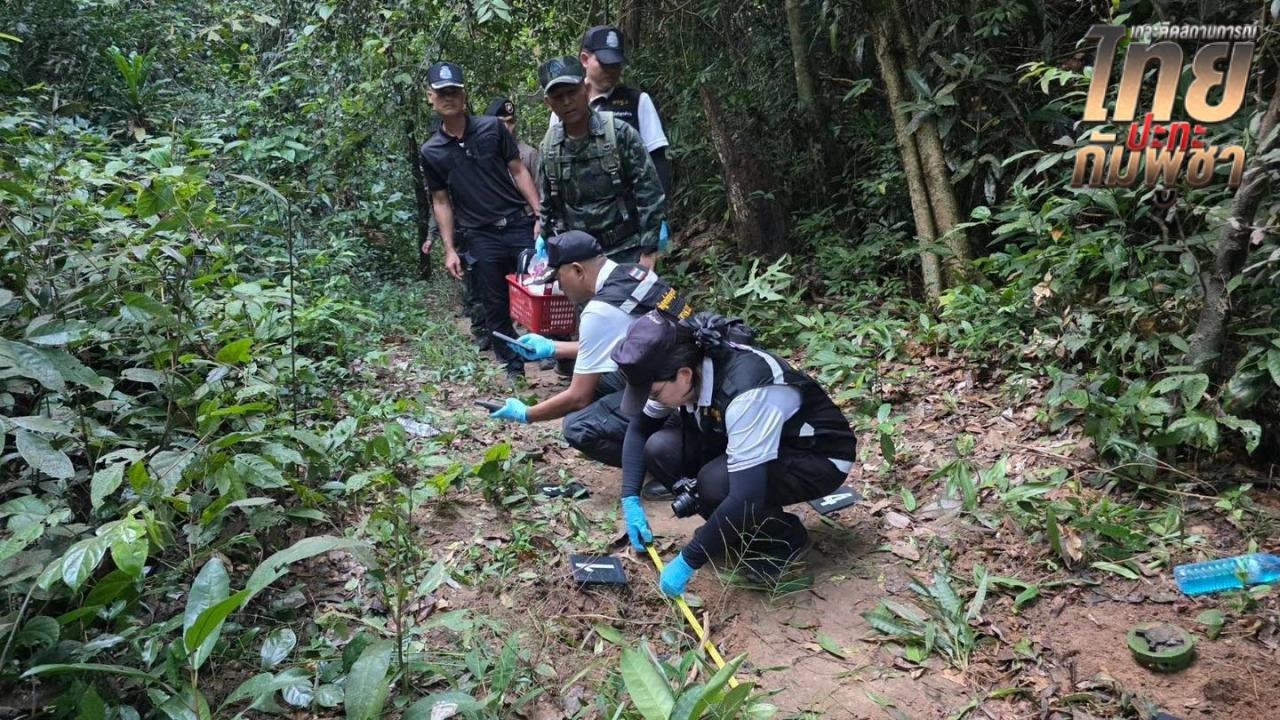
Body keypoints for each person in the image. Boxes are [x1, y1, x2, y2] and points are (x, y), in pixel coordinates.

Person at [608, 311, 858, 596]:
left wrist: (689, 560)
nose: (651, 400)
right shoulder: (682, 370)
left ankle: (784, 540)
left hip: (817, 456)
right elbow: (640, 430)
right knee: (661, 449)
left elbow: (745, 496)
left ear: (684, 374)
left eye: (653, 393)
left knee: (716, 484)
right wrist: (630, 498)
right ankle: (739, 531)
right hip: (749, 441)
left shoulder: (746, 391)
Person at [485, 230, 691, 469]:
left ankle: (669, 466)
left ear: (577, 270)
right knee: (600, 382)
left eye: (559, 279)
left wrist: (526, 414)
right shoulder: (636, 274)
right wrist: (553, 348)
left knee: (577, 426)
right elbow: (617, 341)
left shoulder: (600, 310)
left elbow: (578, 398)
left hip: (676, 398)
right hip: (688, 380)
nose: (560, 288)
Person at [419, 61, 543, 385]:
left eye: (454, 91)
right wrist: (449, 249)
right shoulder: (431, 152)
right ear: (430, 97)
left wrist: (539, 213)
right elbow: (441, 201)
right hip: (480, 235)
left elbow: (518, 170)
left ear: (464, 95)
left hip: (517, 223)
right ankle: (513, 368)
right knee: (494, 304)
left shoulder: (493, 128)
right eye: (442, 92)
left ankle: (554, 357)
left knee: (541, 290)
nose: (449, 97)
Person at [537, 55, 665, 267]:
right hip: (578, 259)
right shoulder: (549, 147)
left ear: (585, 91)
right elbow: (548, 204)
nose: (567, 102)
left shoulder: (619, 133)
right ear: (548, 103)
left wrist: (649, 249)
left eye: (571, 92)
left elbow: (648, 191)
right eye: (558, 97)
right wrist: (550, 247)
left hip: (625, 251)